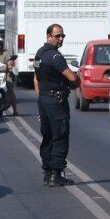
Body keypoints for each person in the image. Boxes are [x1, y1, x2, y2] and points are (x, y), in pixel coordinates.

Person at [33, 24, 79, 187]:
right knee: (59, 136)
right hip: (56, 102)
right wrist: (76, 78)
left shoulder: (39, 54)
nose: (61, 39)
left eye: (62, 36)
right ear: (48, 36)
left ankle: (47, 173)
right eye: (58, 36)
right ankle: (56, 175)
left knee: (48, 137)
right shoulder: (55, 57)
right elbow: (72, 79)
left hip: (44, 100)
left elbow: (36, 79)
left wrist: (41, 99)